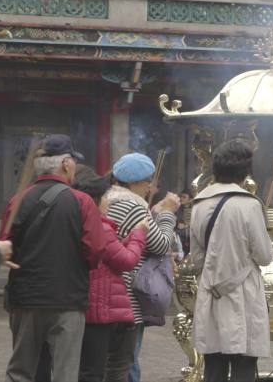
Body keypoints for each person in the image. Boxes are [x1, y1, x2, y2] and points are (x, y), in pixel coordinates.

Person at [0, 134, 108, 382]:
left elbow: (5, 248)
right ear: (66, 164)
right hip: (67, 299)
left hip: (25, 299)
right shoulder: (82, 202)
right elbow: (95, 251)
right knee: (65, 372)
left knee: (19, 371)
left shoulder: (17, 201)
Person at [190, 139, 273, 382]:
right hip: (244, 294)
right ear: (246, 172)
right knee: (244, 366)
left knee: (213, 366)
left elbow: (197, 259)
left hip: (211, 292)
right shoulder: (249, 205)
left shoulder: (198, 204)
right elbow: (265, 256)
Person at [104, 152, 179, 382]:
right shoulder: (133, 206)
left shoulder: (107, 200)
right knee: (127, 363)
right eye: (148, 182)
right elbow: (161, 244)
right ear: (134, 182)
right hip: (125, 297)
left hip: (103, 294)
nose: (150, 187)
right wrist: (167, 214)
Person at [73, 165, 149, 382]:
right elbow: (127, 260)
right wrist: (138, 235)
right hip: (105, 306)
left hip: (91, 305)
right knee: (111, 369)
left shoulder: (79, 223)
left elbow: (110, 253)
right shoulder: (98, 226)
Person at [176, 188, 192, 255]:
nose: (181, 198)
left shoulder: (195, 209)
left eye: (184, 197)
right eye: (181, 196)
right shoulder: (177, 209)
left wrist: (186, 225)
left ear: (190, 199)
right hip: (180, 240)